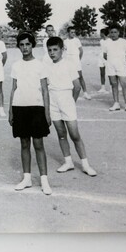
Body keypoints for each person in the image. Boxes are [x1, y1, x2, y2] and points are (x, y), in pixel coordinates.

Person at [44, 37, 97, 176]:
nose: (52, 53)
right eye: (49, 50)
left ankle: (85, 165)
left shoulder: (69, 64)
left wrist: (71, 102)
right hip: (53, 102)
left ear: (62, 50)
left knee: (74, 135)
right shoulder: (47, 66)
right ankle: (68, 162)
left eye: (55, 50)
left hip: (66, 100)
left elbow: (77, 86)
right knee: (61, 134)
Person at [8, 32, 53, 195]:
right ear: (18, 46)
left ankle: (44, 180)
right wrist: (10, 111)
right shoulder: (16, 65)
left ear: (32, 45)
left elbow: (45, 91)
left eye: (27, 44)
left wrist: (47, 113)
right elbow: (13, 88)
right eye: (22, 45)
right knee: (24, 144)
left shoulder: (40, 65)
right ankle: (26, 178)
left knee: (39, 144)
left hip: (36, 108)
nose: (25, 48)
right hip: (20, 107)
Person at [103, 24, 126, 111]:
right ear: (109, 33)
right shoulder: (107, 42)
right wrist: (111, 61)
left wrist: (121, 61)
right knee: (114, 84)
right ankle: (116, 103)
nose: (113, 34)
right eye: (111, 32)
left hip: (121, 66)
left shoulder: (123, 41)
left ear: (118, 33)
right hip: (110, 66)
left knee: (124, 84)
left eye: (115, 32)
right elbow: (105, 55)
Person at [64, 26, 92, 100]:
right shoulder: (65, 41)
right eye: (71, 32)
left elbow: (81, 51)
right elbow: (64, 51)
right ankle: (70, 94)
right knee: (69, 78)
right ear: (68, 33)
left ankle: (85, 93)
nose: (73, 34)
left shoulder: (77, 40)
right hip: (68, 60)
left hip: (76, 60)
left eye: (74, 32)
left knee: (80, 76)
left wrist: (78, 60)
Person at [97, 28, 109, 93]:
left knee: (110, 73)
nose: (100, 34)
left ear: (103, 33)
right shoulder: (101, 41)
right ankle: (103, 88)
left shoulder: (109, 41)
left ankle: (114, 86)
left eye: (100, 33)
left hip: (107, 58)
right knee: (102, 73)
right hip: (101, 58)